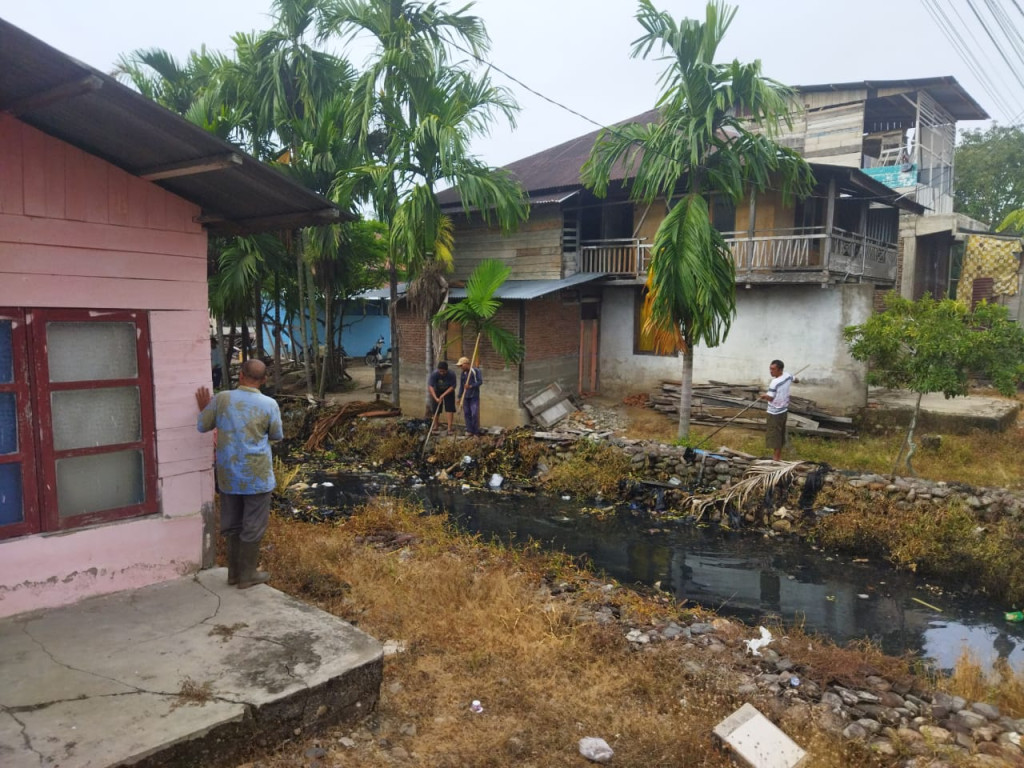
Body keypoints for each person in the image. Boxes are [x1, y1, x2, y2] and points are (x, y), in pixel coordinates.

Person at [195, 359, 283, 589]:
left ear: (240, 375)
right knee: (253, 524)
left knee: (233, 523)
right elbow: (276, 435)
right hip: (257, 475)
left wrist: (205, 408)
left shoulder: (222, 399)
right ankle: (247, 575)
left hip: (228, 474)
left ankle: (233, 574)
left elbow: (203, 426)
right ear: (264, 380)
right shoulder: (269, 404)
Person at [758, 359, 793, 461]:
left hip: (775, 412)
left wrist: (764, 396)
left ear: (780, 370)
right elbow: (795, 379)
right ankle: (778, 456)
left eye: (773, 369)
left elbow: (771, 397)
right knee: (780, 433)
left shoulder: (774, 382)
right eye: (770, 369)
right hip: (783, 411)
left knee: (775, 435)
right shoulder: (787, 376)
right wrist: (795, 379)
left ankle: (776, 458)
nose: (771, 371)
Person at [428, 360, 457, 433]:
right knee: (435, 408)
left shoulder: (451, 374)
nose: (442, 373)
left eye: (443, 371)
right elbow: (430, 387)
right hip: (437, 391)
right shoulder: (434, 374)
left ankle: (449, 428)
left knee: (449, 408)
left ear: (446, 370)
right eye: (440, 371)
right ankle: (436, 425)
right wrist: (436, 398)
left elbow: (453, 386)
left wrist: (443, 395)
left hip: (448, 391)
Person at [457, 356, 483, 436]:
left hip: (474, 396)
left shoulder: (475, 371)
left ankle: (476, 431)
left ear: (466, 364)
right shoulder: (463, 373)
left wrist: (471, 386)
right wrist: (459, 397)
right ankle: (469, 430)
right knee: (467, 413)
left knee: (474, 413)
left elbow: (480, 382)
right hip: (466, 397)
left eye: (461, 365)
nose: (460, 367)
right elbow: (462, 386)